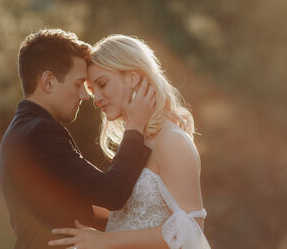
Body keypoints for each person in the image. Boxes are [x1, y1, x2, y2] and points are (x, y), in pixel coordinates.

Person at [48, 35, 211, 248]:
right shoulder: (136, 143)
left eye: (102, 84)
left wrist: (105, 241)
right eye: (92, 90)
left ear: (133, 78)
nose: (96, 99)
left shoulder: (172, 141)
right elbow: (131, 213)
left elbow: (191, 229)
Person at [0, 29, 156, 249]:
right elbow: (113, 193)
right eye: (78, 83)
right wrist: (135, 128)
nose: (85, 95)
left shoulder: (25, 129)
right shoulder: (39, 134)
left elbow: (76, 204)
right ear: (48, 82)